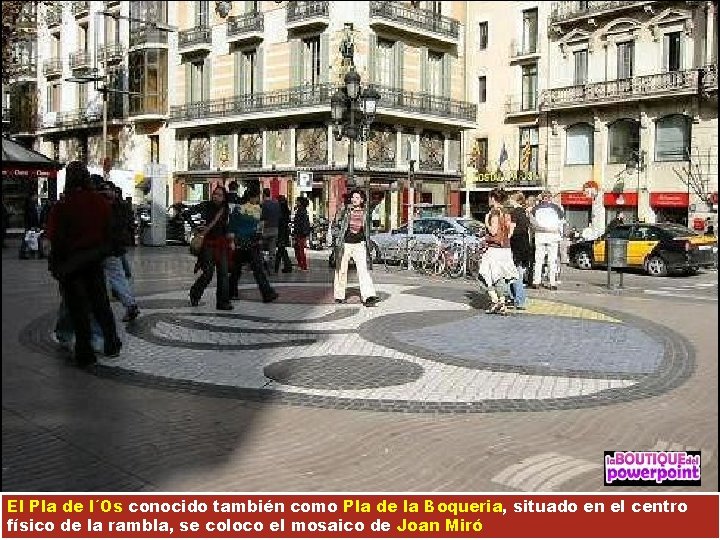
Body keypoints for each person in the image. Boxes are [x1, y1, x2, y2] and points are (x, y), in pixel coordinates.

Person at [45, 161, 121, 367]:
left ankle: (85, 352)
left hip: (71, 264)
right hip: (94, 260)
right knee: (101, 305)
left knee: (78, 309)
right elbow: (108, 233)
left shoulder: (62, 206)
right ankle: (112, 343)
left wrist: (58, 263)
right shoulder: (100, 203)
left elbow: (55, 237)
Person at [97, 180, 140, 322]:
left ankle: (127, 305)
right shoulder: (121, 207)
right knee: (118, 277)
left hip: (103, 248)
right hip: (113, 248)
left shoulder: (105, 207)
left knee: (111, 277)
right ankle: (130, 304)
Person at [228, 187, 278, 303]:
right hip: (252, 243)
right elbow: (260, 227)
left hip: (240, 242)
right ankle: (267, 293)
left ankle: (231, 292)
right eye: (257, 196)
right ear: (253, 197)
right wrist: (259, 238)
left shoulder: (239, 208)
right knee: (257, 270)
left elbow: (232, 225)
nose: (258, 199)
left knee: (237, 270)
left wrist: (232, 240)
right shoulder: (257, 209)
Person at [333, 189, 379, 307]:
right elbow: (336, 223)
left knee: (363, 270)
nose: (354, 200)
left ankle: (368, 296)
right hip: (345, 243)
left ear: (362, 200)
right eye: (353, 197)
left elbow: (368, 229)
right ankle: (339, 295)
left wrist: (368, 242)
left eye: (357, 198)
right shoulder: (345, 210)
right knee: (341, 270)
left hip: (360, 243)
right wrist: (337, 238)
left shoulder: (365, 212)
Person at [189, 186, 232, 310]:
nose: (216, 196)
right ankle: (195, 292)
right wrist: (195, 228)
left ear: (224, 197)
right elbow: (187, 212)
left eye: (219, 195)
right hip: (208, 243)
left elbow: (226, 226)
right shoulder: (205, 205)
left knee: (223, 273)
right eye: (215, 194)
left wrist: (230, 240)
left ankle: (223, 302)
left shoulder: (225, 208)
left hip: (221, 243)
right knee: (208, 273)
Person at [479, 188, 518, 315]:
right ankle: (502, 303)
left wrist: (486, 222)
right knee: (501, 277)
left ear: (494, 199)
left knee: (485, 275)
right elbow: (510, 232)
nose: (489, 200)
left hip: (494, 249)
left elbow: (494, 231)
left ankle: (495, 301)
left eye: (490, 197)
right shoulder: (507, 213)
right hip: (506, 248)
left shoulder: (494, 212)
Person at [529, 190, 564, 291]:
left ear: (542, 197)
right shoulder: (557, 208)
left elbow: (532, 222)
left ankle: (536, 281)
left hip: (540, 235)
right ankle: (552, 283)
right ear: (550, 197)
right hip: (553, 236)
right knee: (552, 260)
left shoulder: (535, 209)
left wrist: (540, 229)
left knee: (538, 260)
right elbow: (561, 222)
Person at [507, 192, 530, 309]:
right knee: (517, 272)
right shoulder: (525, 213)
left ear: (515, 201)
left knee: (515, 274)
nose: (510, 201)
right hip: (524, 245)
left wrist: (505, 240)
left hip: (515, 245)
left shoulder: (514, 213)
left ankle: (519, 300)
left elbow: (511, 231)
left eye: (511, 199)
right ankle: (513, 297)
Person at [260, 187, 280, 273]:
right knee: (272, 251)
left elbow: (262, 218)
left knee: (260, 249)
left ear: (263, 194)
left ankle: (261, 267)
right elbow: (279, 216)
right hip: (275, 229)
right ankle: (271, 269)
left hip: (265, 229)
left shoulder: (263, 204)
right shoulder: (276, 204)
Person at [292, 197, 311, 272]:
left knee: (300, 249)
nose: (296, 202)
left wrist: (297, 233)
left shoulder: (301, 211)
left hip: (300, 233)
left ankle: (304, 266)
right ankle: (301, 264)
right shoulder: (301, 210)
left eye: (297, 201)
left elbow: (300, 224)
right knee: (298, 248)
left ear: (300, 202)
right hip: (300, 232)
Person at [275, 195, 293, 273]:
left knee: (281, 249)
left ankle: (279, 267)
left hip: (280, 231)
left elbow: (279, 221)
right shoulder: (286, 209)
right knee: (281, 250)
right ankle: (279, 267)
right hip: (285, 231)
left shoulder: (279, 209)